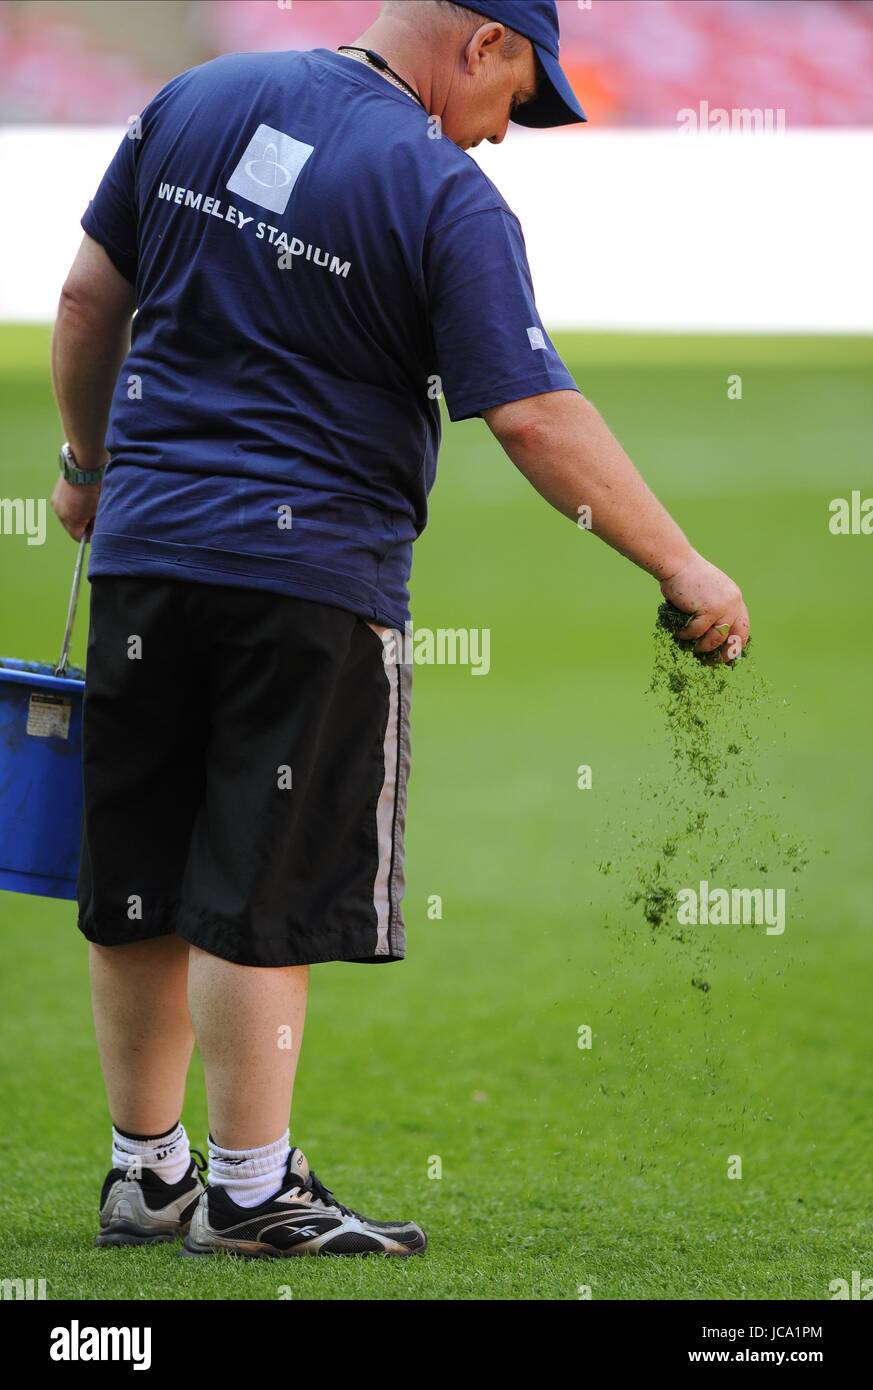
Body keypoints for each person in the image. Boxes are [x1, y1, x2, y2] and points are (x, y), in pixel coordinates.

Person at [50, 0, 749, 1261]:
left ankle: (146, 1171)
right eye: (520, 97)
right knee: (261, 887)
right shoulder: (438, 190)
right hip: (307, 578)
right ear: (482, 41)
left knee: (141, 874)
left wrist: (87, 469)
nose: (503, 137)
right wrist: (683, 561)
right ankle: (253, 1192)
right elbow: (533, 415)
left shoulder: (197, 100)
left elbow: (90, 297)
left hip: (147, 557)